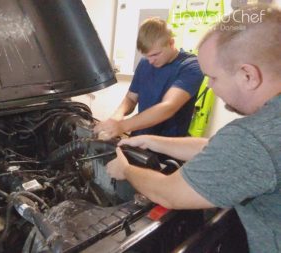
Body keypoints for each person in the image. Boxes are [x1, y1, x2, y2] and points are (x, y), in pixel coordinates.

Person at [106, 5, 281, 253]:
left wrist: (125, 170)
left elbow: (169, 193)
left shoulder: (255, 137)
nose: (209, 86)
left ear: (248, 75)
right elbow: (216, 148)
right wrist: (151, 141)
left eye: (214, 77)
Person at [94, 18, 204, 140]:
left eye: (155, 55)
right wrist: (116, 118)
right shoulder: (144, 63)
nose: (151, 61)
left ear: (171, 43)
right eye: (147, 56)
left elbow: (168, 107)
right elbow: (131, 98)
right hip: (139, 139)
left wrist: (122, 126)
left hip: (168, 145)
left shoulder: (191, 66)